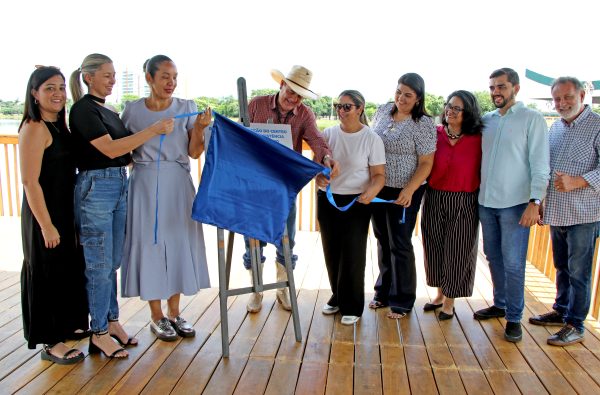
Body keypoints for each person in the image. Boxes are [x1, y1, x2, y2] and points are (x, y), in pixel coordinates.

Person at [69, 53, 174, 358]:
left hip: (118, 184)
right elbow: (112, 147)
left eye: (114, 75)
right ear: (88, 77)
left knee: (112, 260)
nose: (113, 80)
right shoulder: (82, 110)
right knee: (99, 265)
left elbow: (124, 152)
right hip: (97, 188)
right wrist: (153, 130)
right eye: (106, 75)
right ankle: (98, 331)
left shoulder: (108, 111)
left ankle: (112, 322)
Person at [120, 55, 211, 342]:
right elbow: (122, 149)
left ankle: (175, 312)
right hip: (144, 183)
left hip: (177, 182)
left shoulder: (187, 108)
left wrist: (199, 127)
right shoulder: (132, 111)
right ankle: (156, 315)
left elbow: (195, 152)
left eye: (174, 77)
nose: (171, 83)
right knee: (150, 244)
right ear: (149, 78)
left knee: (177, 242)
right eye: (164, 77)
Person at [243, 65, 338, 313]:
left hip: (284, 186)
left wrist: (326, 158)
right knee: (253, 238)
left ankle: (282, 289)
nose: (293, 98)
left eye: (299, 95)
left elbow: (317, 139)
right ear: (281, 85)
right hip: (255, 185)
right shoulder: (256, 105)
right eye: (291, 90)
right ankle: (256, 290)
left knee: (287, 240)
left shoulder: (304, 114)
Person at [474, 68, 550, 342]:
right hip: (486, 201)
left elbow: (541, 165)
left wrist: (535, 201)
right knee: (493, 256)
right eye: (493, 87)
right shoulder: (486, 121)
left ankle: (514, 318)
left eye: (502, 87)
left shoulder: (533, 119)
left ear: (515, 89)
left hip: (517, 204)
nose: (496, 92)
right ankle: (500, 303)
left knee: (514, 263)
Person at [19, 66, 88, 365]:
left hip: (64, 209)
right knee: (47, 273)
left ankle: (64, 328)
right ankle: (50, 342)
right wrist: (46, 225)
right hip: (43, 213)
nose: (58, 93)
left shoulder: (60, 126)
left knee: (65, 271)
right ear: (34, 93)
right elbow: (29, 181)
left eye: (61, 87)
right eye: (49, 87)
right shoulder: (34, 127)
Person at [528, 77, 600, 346]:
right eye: (557, 99)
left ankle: (576, 324)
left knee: (579, 272)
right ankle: (561, 310)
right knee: (561, 267)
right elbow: (545, 169)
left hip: (585, 214)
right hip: (557, 212)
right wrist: (541, 202)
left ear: (581, 95)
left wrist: (578, 181)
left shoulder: (597, 125)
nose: (561, 103)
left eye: (567, 97)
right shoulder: (555, 127)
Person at [369, 73, 437, 319]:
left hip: (406, 189)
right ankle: (383, 292)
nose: (401, 98)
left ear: (418, 98)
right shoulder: (383, 110)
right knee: (382, 239)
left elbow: (427, 162)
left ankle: (402, 301)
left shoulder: (423, 123)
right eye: (399, 91)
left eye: (408, 94)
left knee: (400, 242)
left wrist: (409, 190)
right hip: (379, 187)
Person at [316, 90, 385, 325]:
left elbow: (378, 176)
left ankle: (353, 306)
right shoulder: (327, 134)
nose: (341, 110)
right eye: (338, 105)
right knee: (331, 251)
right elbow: (317, 168)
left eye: (347, 106)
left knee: (353, 254)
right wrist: (319, 178)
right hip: (328, 200)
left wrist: (371, 192)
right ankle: (338, 296)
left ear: (360, 108)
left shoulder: (371, 138)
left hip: (357, 202)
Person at [421, 90, 483, 320]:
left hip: (465, 199)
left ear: (468, 112)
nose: (450, 111)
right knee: (434, 246)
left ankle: (450, 301)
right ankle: (438, 295)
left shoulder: (479, 137)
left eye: (457, 108)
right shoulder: (434, 133)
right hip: (434, 196)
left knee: (458, 250)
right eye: (449, 106)